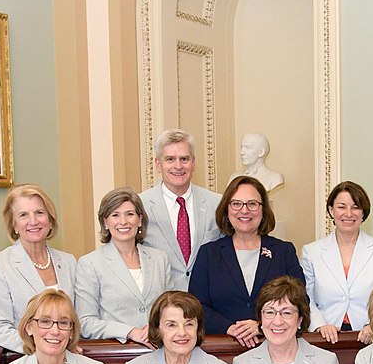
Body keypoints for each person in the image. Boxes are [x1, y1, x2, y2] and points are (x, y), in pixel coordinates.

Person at [189, 175, 305, 348]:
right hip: (222, 346)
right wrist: (230, 328)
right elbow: (196, 306)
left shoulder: (283, 251)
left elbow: (300, 301)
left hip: (273, 345)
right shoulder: (209, 253)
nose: (244, 210)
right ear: (226, 210)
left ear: (263, 210)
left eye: (252, 204)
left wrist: (261, 325)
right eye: (236, 204)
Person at [0, 184, 77, 353]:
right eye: (23, 215)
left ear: (50, 220)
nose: (33, 221)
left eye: (39, 213)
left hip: (68, 358)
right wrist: (43, 348)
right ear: (14, 225)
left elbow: (76, 319)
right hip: (23, 359)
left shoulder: (69, 262)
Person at [75, 188, 172, 347]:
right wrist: (130, 331)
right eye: (115, 215)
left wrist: (157, 328)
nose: (123, 221)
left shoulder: (160, 259)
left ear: (140, 220)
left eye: (130, 214)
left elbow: (172, 309)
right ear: (105, 222)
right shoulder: (90, 263)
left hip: (160, 349)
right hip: (117, 352)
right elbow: (85, 322)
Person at [301, 181, 373, 344]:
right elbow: (305, 297)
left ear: (363, 212)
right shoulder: (311, 253)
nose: (349, 213)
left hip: (370, 336)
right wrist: (319, 325)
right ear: (331, 210)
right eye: (342, 207)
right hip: (325, 337)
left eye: (355, 207)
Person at [140, 129, 223, 290]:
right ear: (158, 164)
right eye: (170, 159)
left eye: (184, 159)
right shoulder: (141, 206)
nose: (178, 166)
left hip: (207, 299)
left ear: (193, 163)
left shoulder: (217, 204)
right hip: (161, 300)